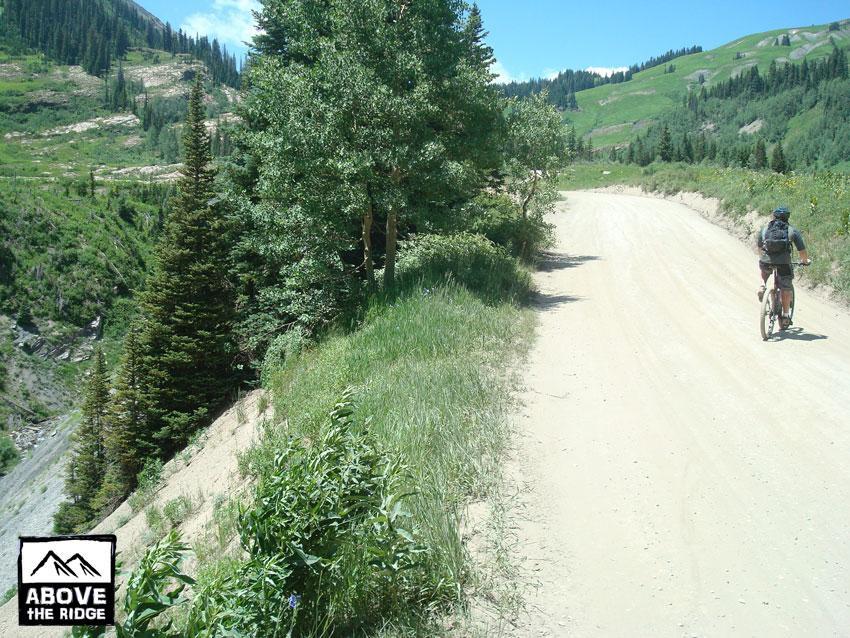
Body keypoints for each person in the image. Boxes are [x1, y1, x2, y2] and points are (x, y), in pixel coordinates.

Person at [757, 206, 810, 329]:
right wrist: (805, 261)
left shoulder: (765, 229)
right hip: (783, 263)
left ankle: (762, 285)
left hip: (766, 260)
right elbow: (802, 251)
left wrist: (764, 258)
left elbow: (759, 247)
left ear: (774, 216)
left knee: (764, 269)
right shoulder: (792, 231)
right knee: (786, 287)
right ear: (787, 217)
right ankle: (785, 316)